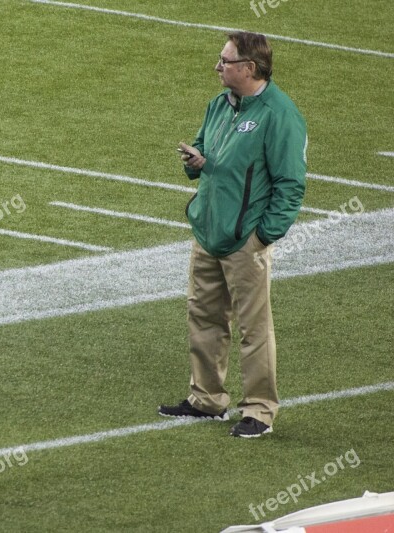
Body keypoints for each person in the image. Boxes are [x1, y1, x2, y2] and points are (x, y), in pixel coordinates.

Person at [159, 31, 307, 438]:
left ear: (249, 68)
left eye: (225, 60)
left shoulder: (280, 115)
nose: (217, 66)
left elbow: (290, 184)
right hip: (208, 230)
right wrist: (195, 161)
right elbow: (205, 149)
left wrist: (262, 237)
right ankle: (207, 399)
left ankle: (260, 410)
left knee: (253, 327)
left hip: (245, 239)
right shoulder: (219, 104)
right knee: (204, 315)